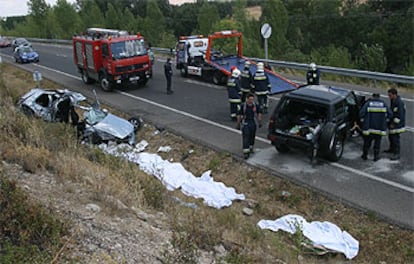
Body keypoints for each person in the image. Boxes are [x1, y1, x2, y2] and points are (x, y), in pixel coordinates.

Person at [359, 93, 392, 161]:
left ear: (373, 97)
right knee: (377, 143)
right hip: (379, 129)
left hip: (369, 128)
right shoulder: (383, 104)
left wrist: (362, 121)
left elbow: (361, 113)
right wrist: (386, 121)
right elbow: (390, 114)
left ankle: (365, 156)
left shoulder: (368, 104)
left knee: (367, 143)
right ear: (379, 97)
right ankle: (376, 157)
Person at [236, 93, 262, 159]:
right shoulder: (243, 106)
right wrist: (238, 124)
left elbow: (259, 113)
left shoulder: (255, 105)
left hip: (253, 123)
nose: (251, 101)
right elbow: (239, 115)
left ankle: (251, 147)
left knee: (252, 136)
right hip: (246, 123)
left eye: (252, 99)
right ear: (247, 99)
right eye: (250, 99)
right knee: (246, 137)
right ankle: (246, 152)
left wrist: (259, 122)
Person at [385, 87, 406, 160]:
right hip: (392, 123)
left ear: (394, 95)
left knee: (395, 138)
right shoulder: (393, 100)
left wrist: (393, 123)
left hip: (397, 125)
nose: (389, 97)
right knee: (391, 136)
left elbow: (400, 115)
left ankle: (397, 153)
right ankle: (391, 149)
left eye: (390, 95)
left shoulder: (399, 103)